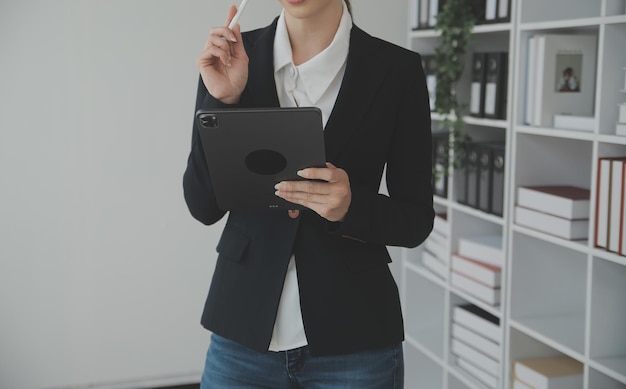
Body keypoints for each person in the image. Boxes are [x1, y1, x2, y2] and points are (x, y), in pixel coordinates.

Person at [183, 0, 434, 387]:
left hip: (356, 339)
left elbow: (415, 220)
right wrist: (221, 100)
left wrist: (352, 207)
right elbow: (202, 205)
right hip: (242, 335)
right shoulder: (230, 57)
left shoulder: (396, 69)